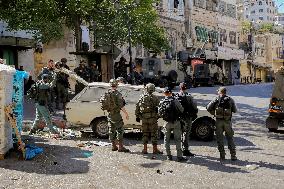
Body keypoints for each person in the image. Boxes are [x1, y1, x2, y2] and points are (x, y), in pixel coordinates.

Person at [206, 87, 237, 161]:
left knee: (220, 139)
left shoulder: (216, 99)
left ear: (220, 92)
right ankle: (233, 156)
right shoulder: (230, 99)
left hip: (218, 121)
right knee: (230, 138)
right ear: (225, 92)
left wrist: (214, 113)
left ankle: (222, 156)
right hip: (227, 122)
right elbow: (235, 110)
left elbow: (208, 107)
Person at [100, 79, 130, 152]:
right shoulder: (117, 94)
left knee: (111, 129)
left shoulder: (106, 93)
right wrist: (126, 114)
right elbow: (121, 106)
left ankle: (113, 146)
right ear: (116, 85)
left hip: (110, 114)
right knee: (120, 129)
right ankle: (120, 147)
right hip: (116, 114)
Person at [158, 87, 187, 162]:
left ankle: (168, 155)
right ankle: (179, 157)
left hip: (166, 122)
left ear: (164, 93)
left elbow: (159, 113)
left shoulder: (162, 101)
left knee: (166, 139)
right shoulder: (175, 100)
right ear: (171, 92)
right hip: (176, 122)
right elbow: (182, 110)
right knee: (177, 139)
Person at [135, 83, 162, 154]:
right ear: (153, 89)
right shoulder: (155, 98)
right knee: (154, 134)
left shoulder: (141, 97)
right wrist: (157, 116)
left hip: (144, 119)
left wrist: (137, 116)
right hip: (153, 119)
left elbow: (137, 107)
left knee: (145, 134)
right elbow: (160, 109)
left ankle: (145, 149)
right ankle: (155, 149)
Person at [175, 82, 198, 157]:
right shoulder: (189, 96)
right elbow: (194, 106)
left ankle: (179, 150)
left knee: (179, 134)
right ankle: (185, 150)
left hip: (179, 118)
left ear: (180, 87)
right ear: (186, 88)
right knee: (186, 134)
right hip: (187, 117)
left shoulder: (176, 96)